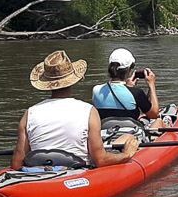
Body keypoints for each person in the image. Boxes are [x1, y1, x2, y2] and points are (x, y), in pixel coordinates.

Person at [11, 50, 139, 170]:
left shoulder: (30, 113)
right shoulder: (89, 111)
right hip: (77, 172)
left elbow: (17, 164)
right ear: (73, 80)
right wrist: (127, 154)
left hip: (39, 171)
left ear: (47, 83)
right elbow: (100, 160)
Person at [92, 47, 161, 122]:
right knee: (159, 121)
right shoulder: (137, 93)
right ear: (128, 69)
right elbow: (154, 114)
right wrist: (151, 85)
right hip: (131, 131)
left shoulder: (96, 90)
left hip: (107, 131)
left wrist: (128, 87)